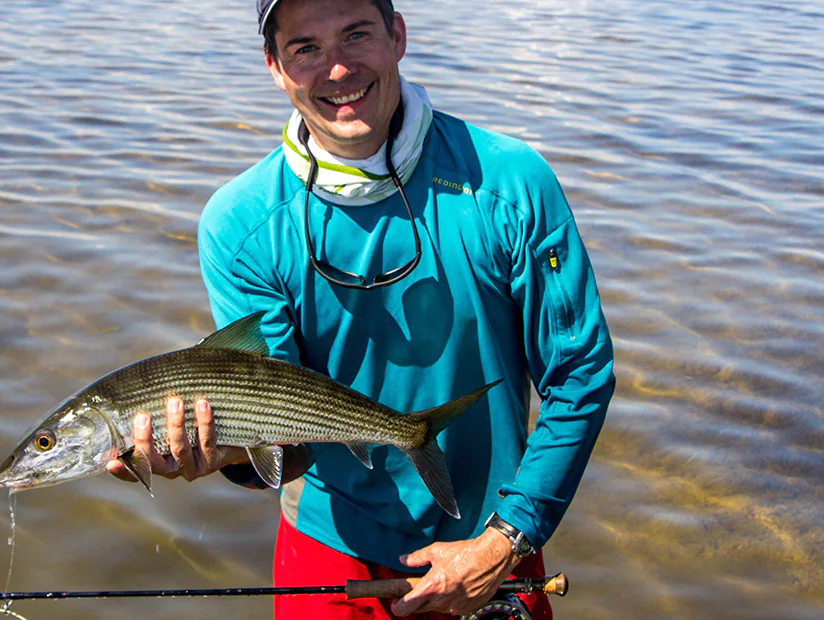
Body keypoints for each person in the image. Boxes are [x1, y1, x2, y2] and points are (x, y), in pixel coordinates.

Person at [106, 0, 615, 617]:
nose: (339, 69)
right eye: (306, 48)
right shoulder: (238, 223)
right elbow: (279, 426)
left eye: (356, 34)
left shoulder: (510, 181)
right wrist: (224, 452)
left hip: (495, 535)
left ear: (397, 34)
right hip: (329, 543)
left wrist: (509, 536)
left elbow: (580, 375)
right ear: (274, 66)